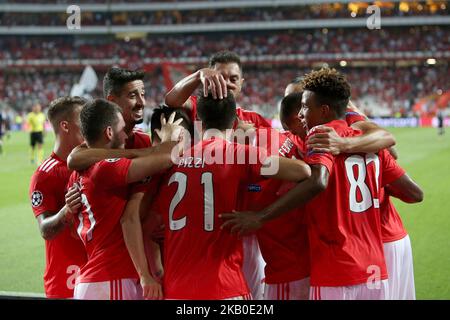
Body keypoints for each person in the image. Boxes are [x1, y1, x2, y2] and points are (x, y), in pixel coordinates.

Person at [221, 68, 423, 300]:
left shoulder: (320, 136)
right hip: (376, 267)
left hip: (336, 267)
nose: (302, 114)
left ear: (323, 110)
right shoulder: (369, 142)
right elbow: (413, 193)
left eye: (306, 106)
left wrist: (260, 217)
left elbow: (317, 181)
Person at [151, 91, 311, 300]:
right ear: (234, 121)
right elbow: (303, 172)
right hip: (225, 287)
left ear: (199, 118)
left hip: (176, 289)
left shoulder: (170, 160)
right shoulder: (240, 154)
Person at [69, 98, 182, 300]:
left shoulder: (77, 173)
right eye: (122, 128)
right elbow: (168, 157)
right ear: (109, 132)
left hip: (94, 279)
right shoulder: (105, 168)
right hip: (112, 279)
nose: (127, 134)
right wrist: (170, 138)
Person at [29, 96, 88, 299]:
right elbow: (45, 229)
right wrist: (66, 210)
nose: (88, 125)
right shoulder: (45, 175)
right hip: (65, 281)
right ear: (65, 126)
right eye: (83, 120)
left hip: (97, 275)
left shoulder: (92, 164)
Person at [165, 50, 272, 129]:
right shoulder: (196, 107)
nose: (226, 83)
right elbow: (171, 101)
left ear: (241, 84)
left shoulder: (254, 120)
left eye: (233, 79)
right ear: (207, 80)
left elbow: (277, 152)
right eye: (219, 78)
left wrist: (255, 136)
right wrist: (198, 75)